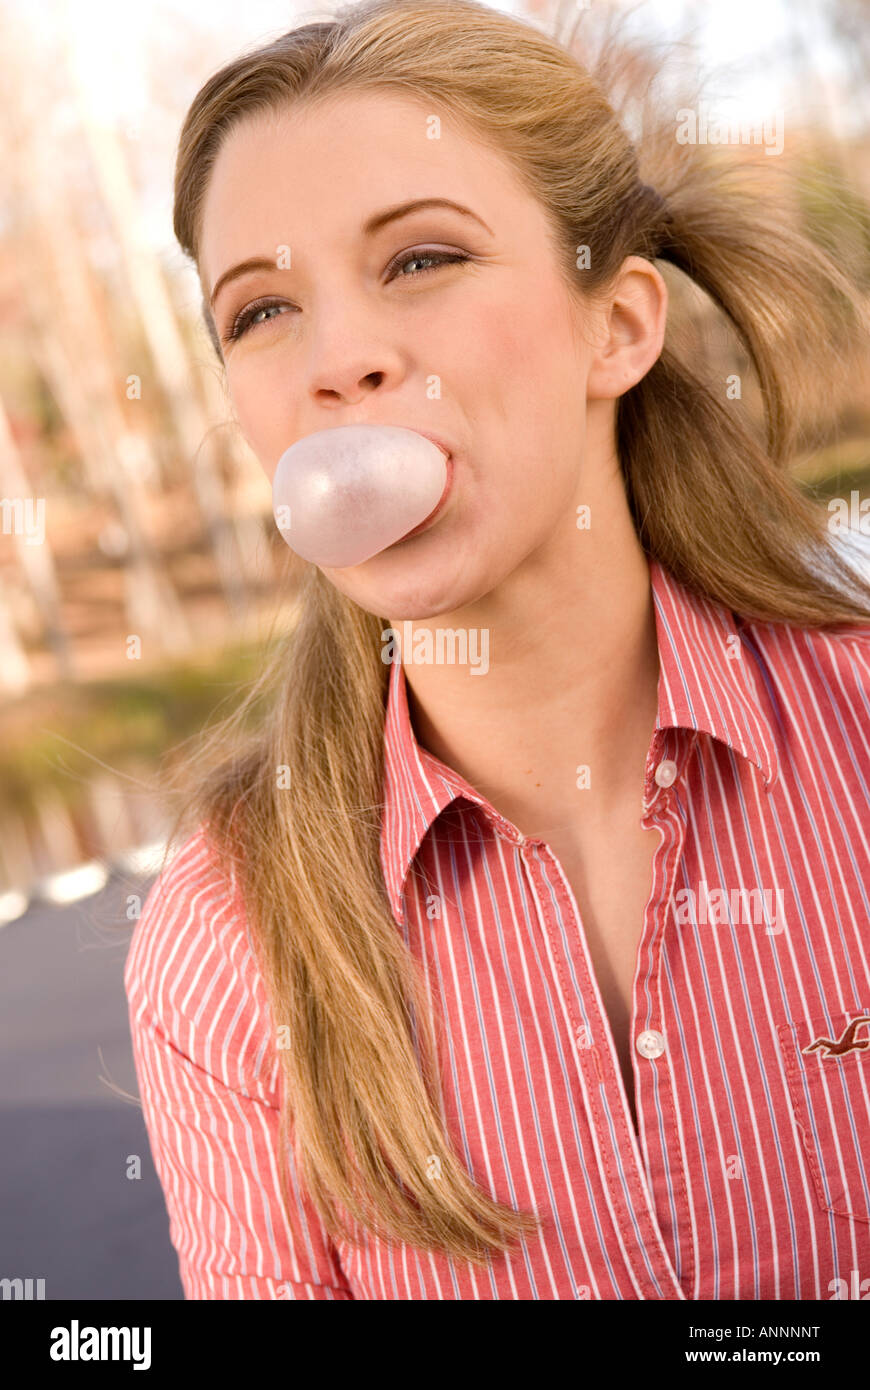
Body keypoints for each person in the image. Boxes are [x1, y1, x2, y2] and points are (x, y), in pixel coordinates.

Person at [124, 0, 870, 1299]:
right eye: (260, 311)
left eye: (419, 259)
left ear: (617, 325)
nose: (339, 360)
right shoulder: (220, 939)